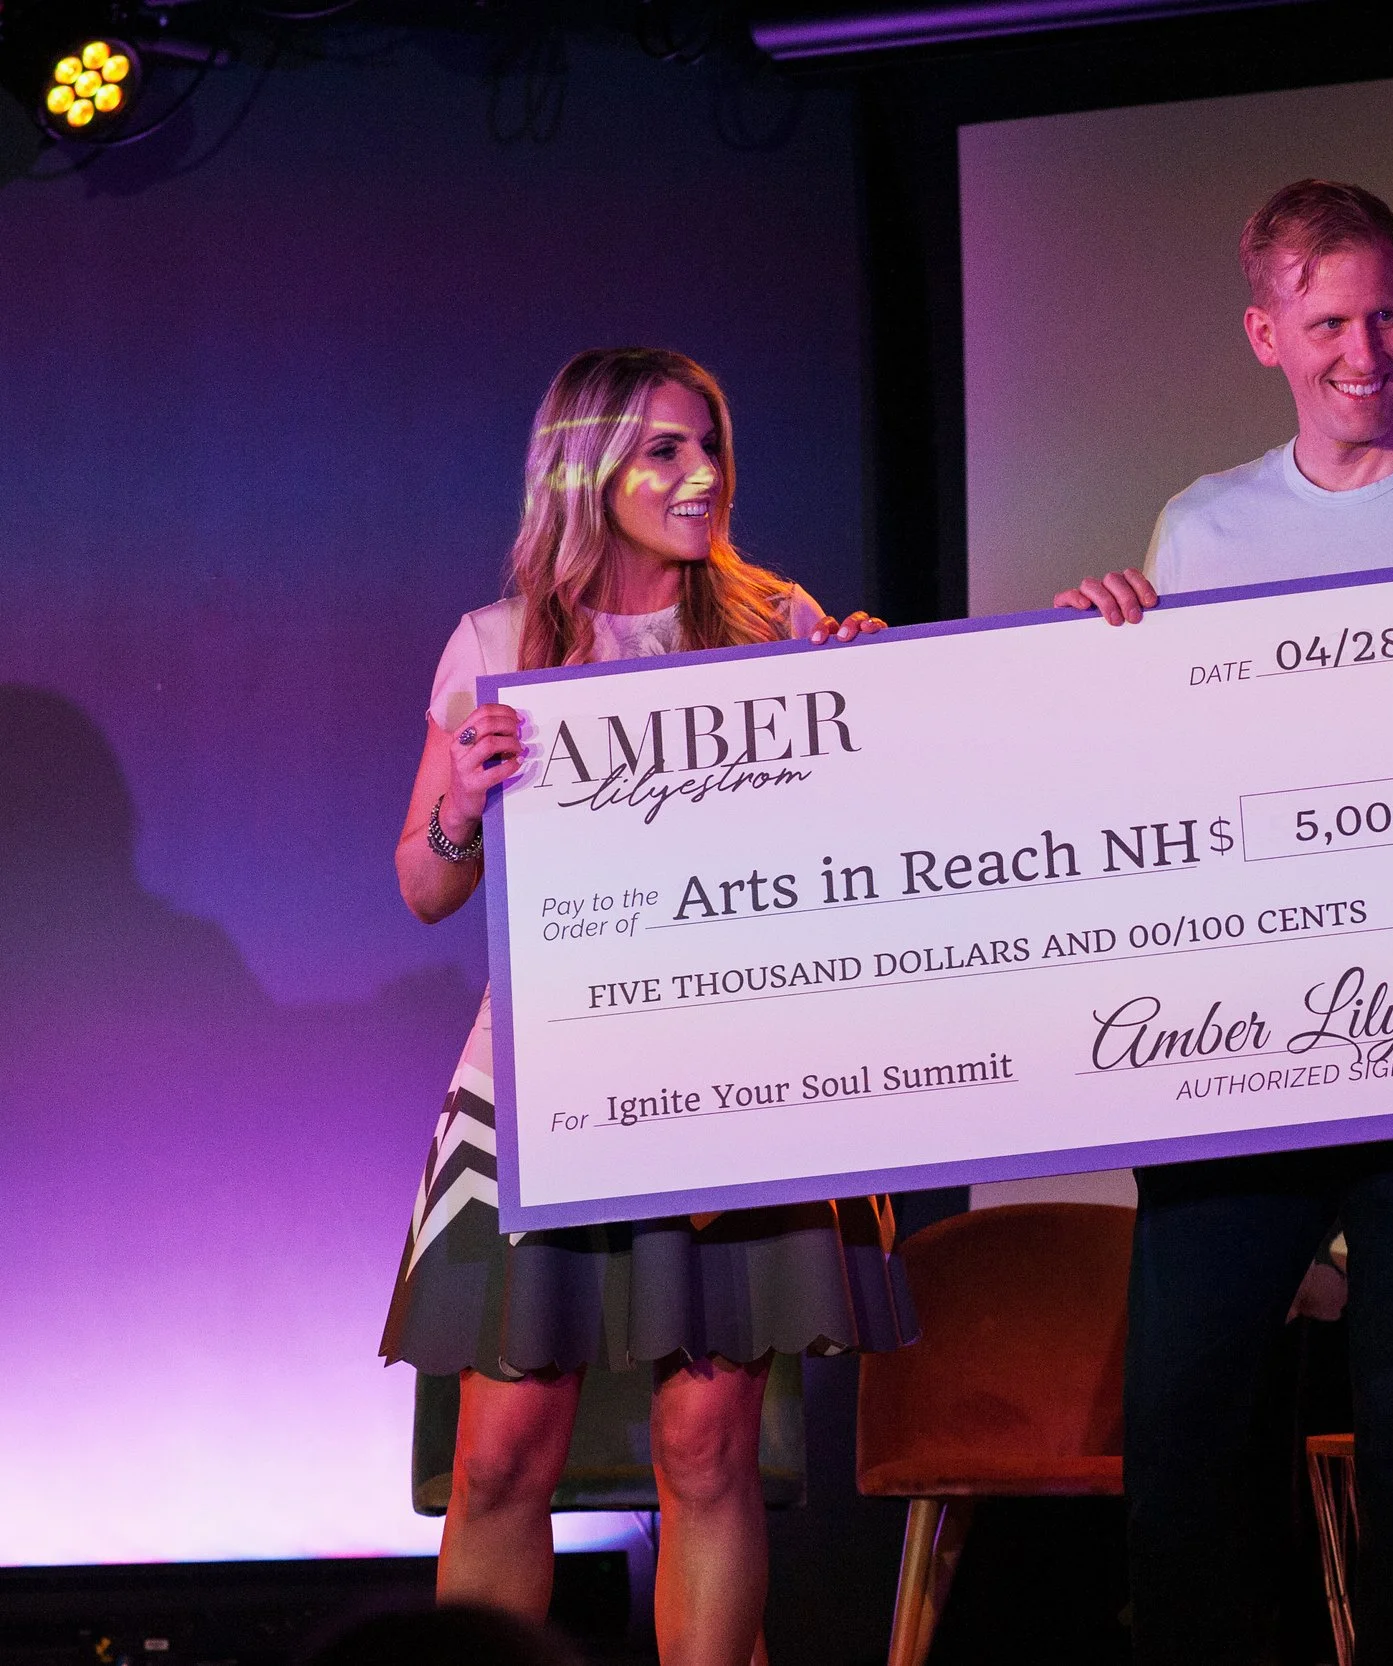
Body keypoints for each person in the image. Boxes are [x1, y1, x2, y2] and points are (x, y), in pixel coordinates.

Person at [1056, 179, 1393, 1666]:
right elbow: (1170, 783)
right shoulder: (1202, 526)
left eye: (1389, 311)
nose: (1369, 347)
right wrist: (1098, 660)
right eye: (1333, 320)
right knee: (1188, 1437)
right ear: (1266, 333)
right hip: (1245, 1041)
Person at [378, 348, 912, 1666]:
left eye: (710, 445)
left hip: (732, 1087)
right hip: (544, 1092)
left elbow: (872, 837)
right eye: (665, 450)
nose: (701, 475)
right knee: (503, 1452)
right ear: (586, 467)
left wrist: (880, 702)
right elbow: (423, 886)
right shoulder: (498, 645)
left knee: (707, 1441)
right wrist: (462, 798)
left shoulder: (778, 620)